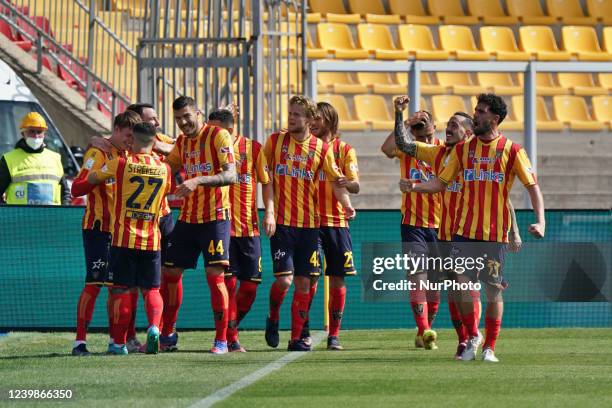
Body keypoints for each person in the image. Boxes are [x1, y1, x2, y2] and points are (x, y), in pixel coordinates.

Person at [399, 93, 545, 362]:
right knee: (460, 283)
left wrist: (540, 220)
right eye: (475, 110)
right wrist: (416, 187)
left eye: (481, 111)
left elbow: (531, 187)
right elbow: (441, 183)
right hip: (464, 233)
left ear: (495, 118)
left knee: (493, 291)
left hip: (495, 235)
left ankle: (490, 346)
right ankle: (471, 336)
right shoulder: (463, 150)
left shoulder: (512, 150)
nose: (476, 114)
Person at [263, 95, 355, 352]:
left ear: (309, 119)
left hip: (309, 226)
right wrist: (269, 212)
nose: (291, 118)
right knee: (284, 281)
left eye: (296, 115)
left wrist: (346, 203)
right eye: (289, 113)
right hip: (282, 223)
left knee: (304, 283)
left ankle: (295, 339)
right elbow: (266, 179)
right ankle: (273, 315)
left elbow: (337, 181)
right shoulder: (275, 141)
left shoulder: (322, 149)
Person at [86, 122, 171, 355]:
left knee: (121, 290)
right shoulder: (164, 168)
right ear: (154, 142)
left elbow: (90, 179)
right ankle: (154, 327)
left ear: (132, 140)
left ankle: (118, 343)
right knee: (152, 290)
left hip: (124, 239)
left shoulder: (120, 163)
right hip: (152, 239)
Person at [162, 96, 237, 354]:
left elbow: (231, 175)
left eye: (187, 116)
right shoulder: (182, 142)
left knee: (215, 277)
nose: (183, 122)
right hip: (188, 217)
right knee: (170, 273)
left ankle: (222, 339)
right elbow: (168, 165)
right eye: (178, 119)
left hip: (215, 217)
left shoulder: (218, 136)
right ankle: (168, 333)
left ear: (199, 113)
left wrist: (197, 181)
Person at [70, 110, 140, 356]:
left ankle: (116, 341)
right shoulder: (97, 152)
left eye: (134, 137)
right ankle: (79, 343)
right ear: (117, 129)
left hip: (121, 231)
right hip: (98, 228)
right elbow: (77, 188)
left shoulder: (129, 154)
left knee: (118, 286)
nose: (131, 141)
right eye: (128, 136)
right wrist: (99, 175)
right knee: (94, 283)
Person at [207, 107, 274, 352]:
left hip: (248, 227)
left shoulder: (253, 148)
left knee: (250, 287)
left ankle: (227, 328)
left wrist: (270, 212)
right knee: (230, 285)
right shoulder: (208, 148)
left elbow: (266, 183)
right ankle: (230, 337)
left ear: (229, 128)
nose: (209, 132)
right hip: (222, 226)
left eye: (214, 127)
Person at [381, 108, 442, 350]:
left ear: (434, 126)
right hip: (413, 224)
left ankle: (423, 329)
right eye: (417, 125)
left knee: (436, 288)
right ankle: (425, 330)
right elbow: (386, 149)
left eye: (425, 122)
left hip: (440, 225)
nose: (421, 128)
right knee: (418, 279)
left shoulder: (444, 150)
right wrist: (405, 122)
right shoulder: (408, 148)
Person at [310, 101, 360, 350]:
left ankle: (334, 335)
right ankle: (303, 331)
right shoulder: (306, 148)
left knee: (339, 278)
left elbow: (355, 185)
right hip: (307, 221)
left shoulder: (345, 150)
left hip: (337, 222)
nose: (312, 123)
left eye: (317, 118)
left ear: (329, 120)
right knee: (308, 276)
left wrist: (346, 182)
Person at [0, 112, 70, 205]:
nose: (36, 136)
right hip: (20, 218)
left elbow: (65, 193)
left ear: (44, 134)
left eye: (39, 132)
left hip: (51, 218)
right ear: (23, 133)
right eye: (31, 131)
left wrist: (64, 213)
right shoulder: (9, 160)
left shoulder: (55, 159)